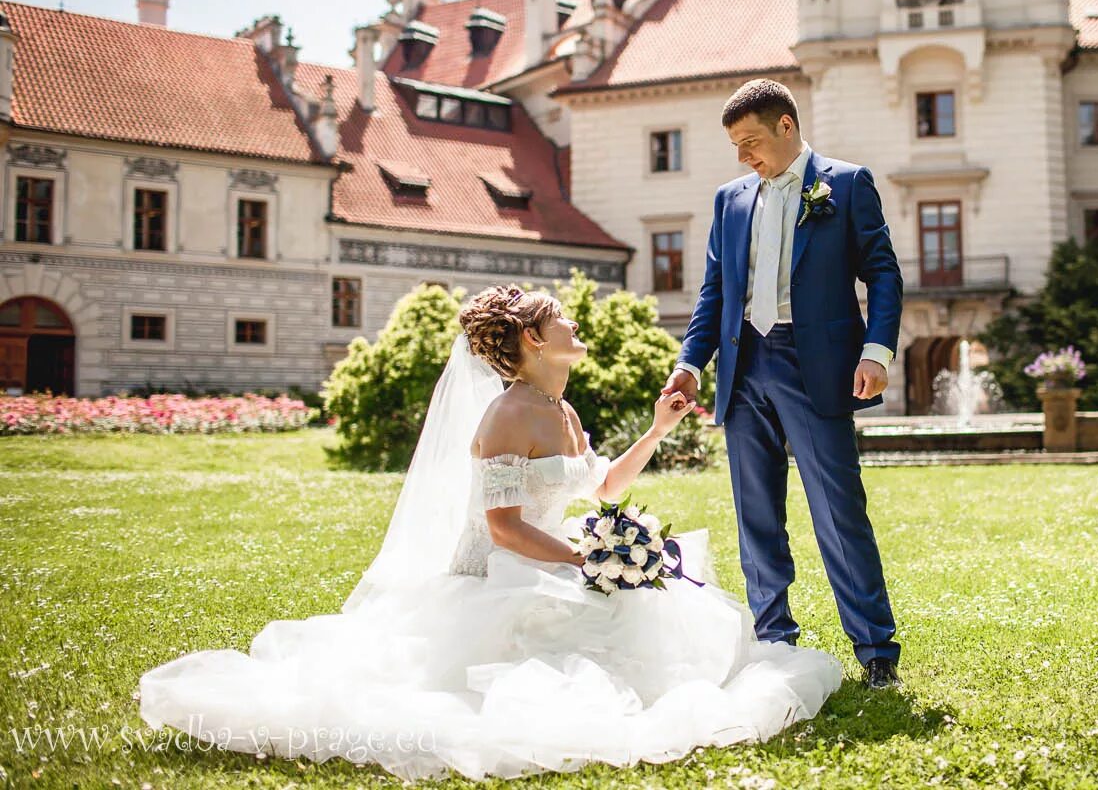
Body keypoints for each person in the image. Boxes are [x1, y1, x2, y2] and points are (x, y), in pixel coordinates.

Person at [137, 285, 844, 783]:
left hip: (551, 556)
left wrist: (657, 430)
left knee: (648, 612)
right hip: (499, 574)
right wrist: (585, 559)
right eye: (561, 319)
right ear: (534, 340)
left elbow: (599, 489)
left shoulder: (558, 408)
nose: (574, 323)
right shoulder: (510, 416)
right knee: (587, 634)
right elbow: (503, 529)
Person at [660, 78, 904, 690]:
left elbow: (883, 273)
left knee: (838, 511)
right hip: (743, 367)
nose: (743, 157)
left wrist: (876, 351)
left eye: (750, 142)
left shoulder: (846, 185)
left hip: (814, 365)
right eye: (735, 146)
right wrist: (691, 364)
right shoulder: (729, 200)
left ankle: (876, 651)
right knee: (756, 514)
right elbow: (715, 294)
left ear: (786, 127)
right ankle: (773, 639)